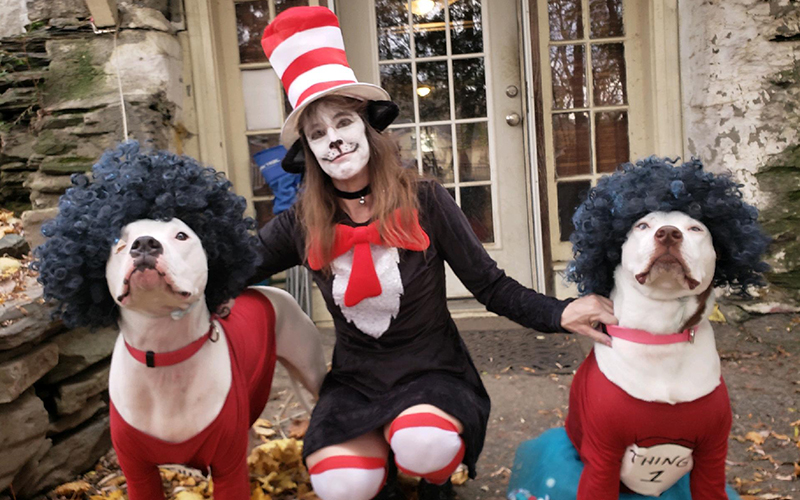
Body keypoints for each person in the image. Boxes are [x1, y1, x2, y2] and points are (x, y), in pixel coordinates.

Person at [255, 7, 616, 500]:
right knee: (341, 485)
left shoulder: (424, 199)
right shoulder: (302, 221)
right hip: (357, 381)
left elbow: (489, 285)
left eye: (342, 122)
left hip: (431, 372)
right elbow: (234, 266)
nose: (334, 140)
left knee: (425, 446)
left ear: (366, 128)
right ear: (310, 152)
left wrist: (560, 311)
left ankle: (434, 484)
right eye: (317, 133)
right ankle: (379, 475)